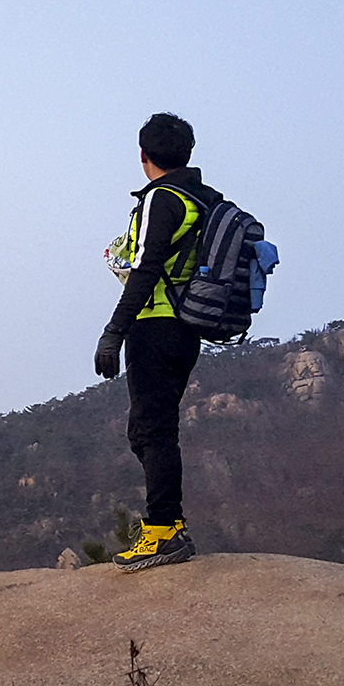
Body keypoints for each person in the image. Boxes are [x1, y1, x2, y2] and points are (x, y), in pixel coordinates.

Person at [94, 112, 219, 571]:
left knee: (153, 430)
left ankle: (164, 531)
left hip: (156, 325)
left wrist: (114, 332)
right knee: (148, 429)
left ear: (144, 155)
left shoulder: (161, 198)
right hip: (186, 327)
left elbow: (146, 269)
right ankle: (170, 525)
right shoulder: (202, 199)